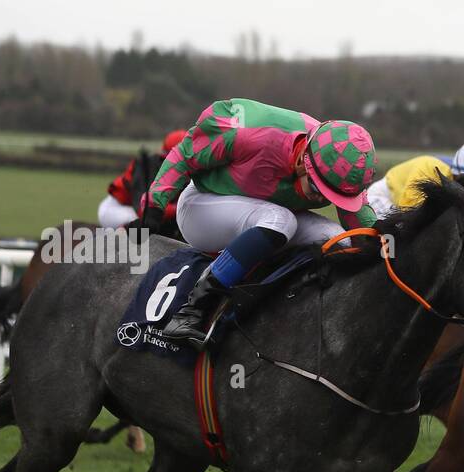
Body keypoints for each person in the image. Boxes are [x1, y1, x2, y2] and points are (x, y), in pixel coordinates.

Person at [140, 98, 378, 348]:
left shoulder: (341, 166)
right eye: (318, 188)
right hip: (202, 206)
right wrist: (155, 204)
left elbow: (364, 227)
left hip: (263, 215)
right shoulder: (249, 133)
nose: (321, 199)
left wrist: (387, 249)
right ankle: (193, 309)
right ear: (302, 160)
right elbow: (184, 154)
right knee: (281, 220)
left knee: (336, 237)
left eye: (332, 197)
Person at [366, 140, 464, 218]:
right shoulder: (429, 169)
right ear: (460, 175)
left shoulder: (460, 170)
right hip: (384, 199)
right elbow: (408, 213)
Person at [97, 130, 187, 230]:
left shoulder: (190, 169)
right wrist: (179, 208)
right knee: (144, 224)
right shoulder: (148, 166)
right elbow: (143, 211)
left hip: (136, 209)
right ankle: (101, 242)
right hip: (117, 209)